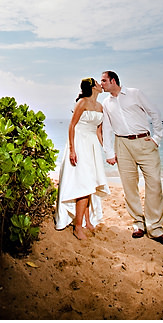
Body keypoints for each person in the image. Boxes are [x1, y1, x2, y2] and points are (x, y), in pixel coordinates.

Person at [100, 70, 163, 246]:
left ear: (113, 80)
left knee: (154, 184)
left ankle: (156, 229)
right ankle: (138, 224)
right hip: (122, 145)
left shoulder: (135, 93)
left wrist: (157, 138)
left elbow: (155, 113)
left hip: (144, 142)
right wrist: (109, 153)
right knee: (129, 186)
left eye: (104, 80)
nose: (102, 83)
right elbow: (106, 128)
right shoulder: (106, 103)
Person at [54, 77, 110, 239]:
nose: (101, 85)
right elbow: (72, 126)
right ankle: (77, 226)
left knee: (90, 182)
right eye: (98, 83)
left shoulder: (100, 106)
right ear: (92, 87)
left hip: (92, 145)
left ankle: (87, 220)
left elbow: (99, 132)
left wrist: (107, 150)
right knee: (83, 182)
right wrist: (72, 150)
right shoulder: (82, 102)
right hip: (79, 143)